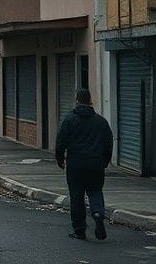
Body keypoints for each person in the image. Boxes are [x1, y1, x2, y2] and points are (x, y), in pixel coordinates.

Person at [55, 88, 114, 240]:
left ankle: (79, 230)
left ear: (77, 100)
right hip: (96, 164)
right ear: (90, 100)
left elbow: (61, 141)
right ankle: (98, 213)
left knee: (77, 196)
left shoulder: (69, 120)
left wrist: (60, 159)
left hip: (76, 164)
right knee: (95, 191)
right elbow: (108, 143)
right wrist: (104, 162)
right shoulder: (101, 121)